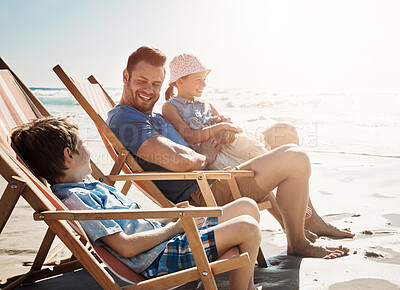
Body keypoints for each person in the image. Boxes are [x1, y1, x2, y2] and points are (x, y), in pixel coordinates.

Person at [107, 46, 354, 259]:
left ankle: (307, 218)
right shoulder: (126, 118)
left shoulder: (151, 115)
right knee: (295, 159)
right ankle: (298, 242)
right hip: (205, 190)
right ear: (125, 76)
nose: (149, 90)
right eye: (142, 81)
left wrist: (218, 129)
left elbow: (188, 136)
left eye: (156, 84)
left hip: (216, 171)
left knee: (285, 132)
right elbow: (180, 160)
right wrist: (206, 155)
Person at [11, 116, 264, 290]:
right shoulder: (78, 200)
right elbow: (126, 248)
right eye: (83, 144)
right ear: (69, 155)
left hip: (165, 242)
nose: (88, 150)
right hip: (158, 260)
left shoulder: (88, 186)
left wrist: (170, 216)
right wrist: (176, 227)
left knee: (246, 206)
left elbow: (137, 224)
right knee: (247, 227)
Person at [162, 53, 270, 170]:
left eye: (204, 79)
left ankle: (274, 164)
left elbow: (229, 125)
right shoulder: (170, 107)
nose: (204, 84)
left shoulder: (206, 104)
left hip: (228, 143)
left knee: (259, 154)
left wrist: (226, 124)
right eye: (198, 80)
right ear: (179, 82)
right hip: (212, 152)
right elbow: (189, 135)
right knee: (243, 170)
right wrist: (221, 127)